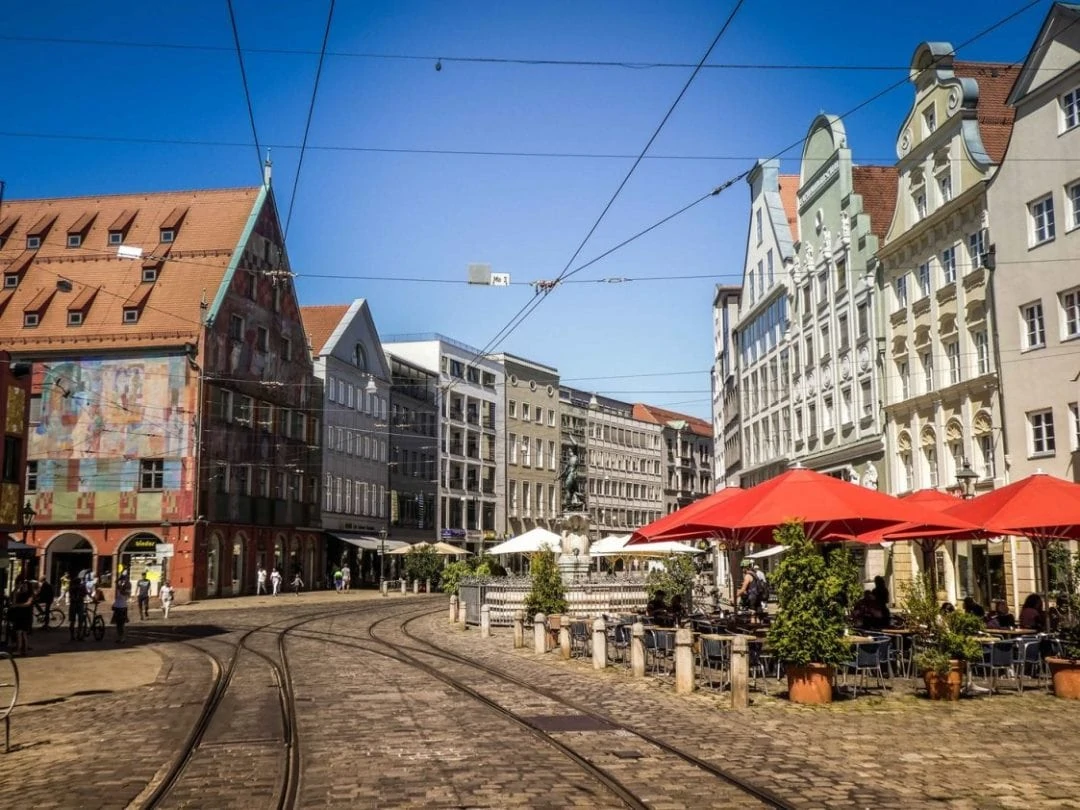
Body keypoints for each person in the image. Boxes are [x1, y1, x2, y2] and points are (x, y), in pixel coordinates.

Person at [10, 577, 34, 656]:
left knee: (22, 633)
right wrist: (16, 589)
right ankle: (21, 649)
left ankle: (22, 650)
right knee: (20, 633)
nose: (23, 587)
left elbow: (28, 604)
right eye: (23, 586)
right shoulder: (19, 594)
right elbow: (13, 602)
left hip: (25, 616)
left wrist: (17, 605)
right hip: (19, 616)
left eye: (25, 586)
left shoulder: (30, 595)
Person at [112, 574, 132, 642]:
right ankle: (119, 637)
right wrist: (120, 578)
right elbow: (115, 582)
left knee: (122, 624)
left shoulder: (127, 589)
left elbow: (125, 594)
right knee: (118, 624)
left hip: (123, 607)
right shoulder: (119, 587)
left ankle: (123, 638)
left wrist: (124, 583)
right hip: (117, 606)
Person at [68, 574, 87, 641]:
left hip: (73, 604)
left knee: (72, 621)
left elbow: (70, 594)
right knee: (80, 620)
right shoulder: (82, 586)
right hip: (80, 604)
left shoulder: (71, 587)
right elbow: (85, 593)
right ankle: (79, 635)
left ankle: (72, 636)